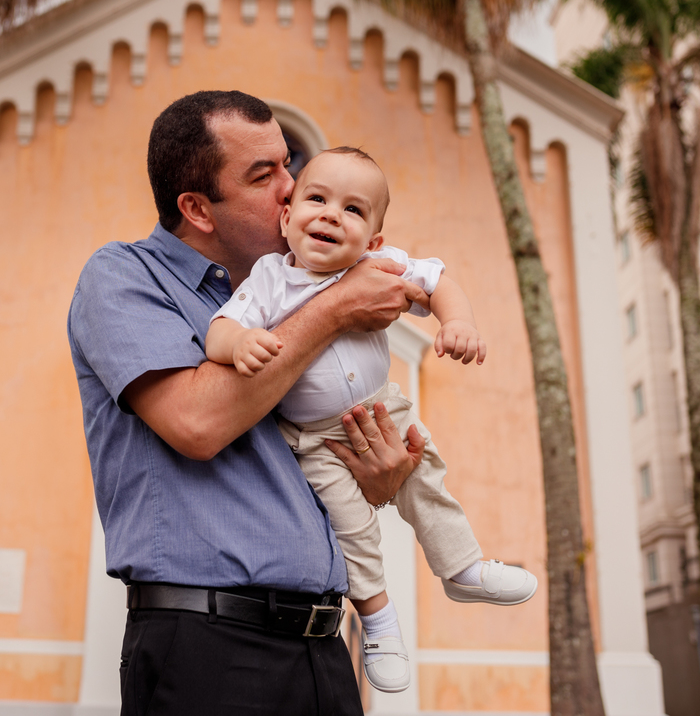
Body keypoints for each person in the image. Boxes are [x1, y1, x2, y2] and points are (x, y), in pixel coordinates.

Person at [68, 90, 429, 716]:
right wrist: (338, 306)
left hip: (323, 651)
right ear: (196, 208)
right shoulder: (122, 277)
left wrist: (376, 478)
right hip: (209, 652)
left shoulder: (286, 295)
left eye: (289, 163)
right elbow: (196, 422)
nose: (292, 188)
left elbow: (304, 462)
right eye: (264, 176)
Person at [205, 147, 538, 694]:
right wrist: (238, 343)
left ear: (374, 242)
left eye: (354, 210)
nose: (332, 215)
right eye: (317, 199)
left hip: (385, 408)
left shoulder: (377, 268)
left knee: (427, 481)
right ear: (286, 218)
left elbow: (437, 281)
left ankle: (462, 568)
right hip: (315, 439)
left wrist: (458, 321)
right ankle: (379, 623)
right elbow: (221, 327)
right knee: (352, 530)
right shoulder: (268, 278)